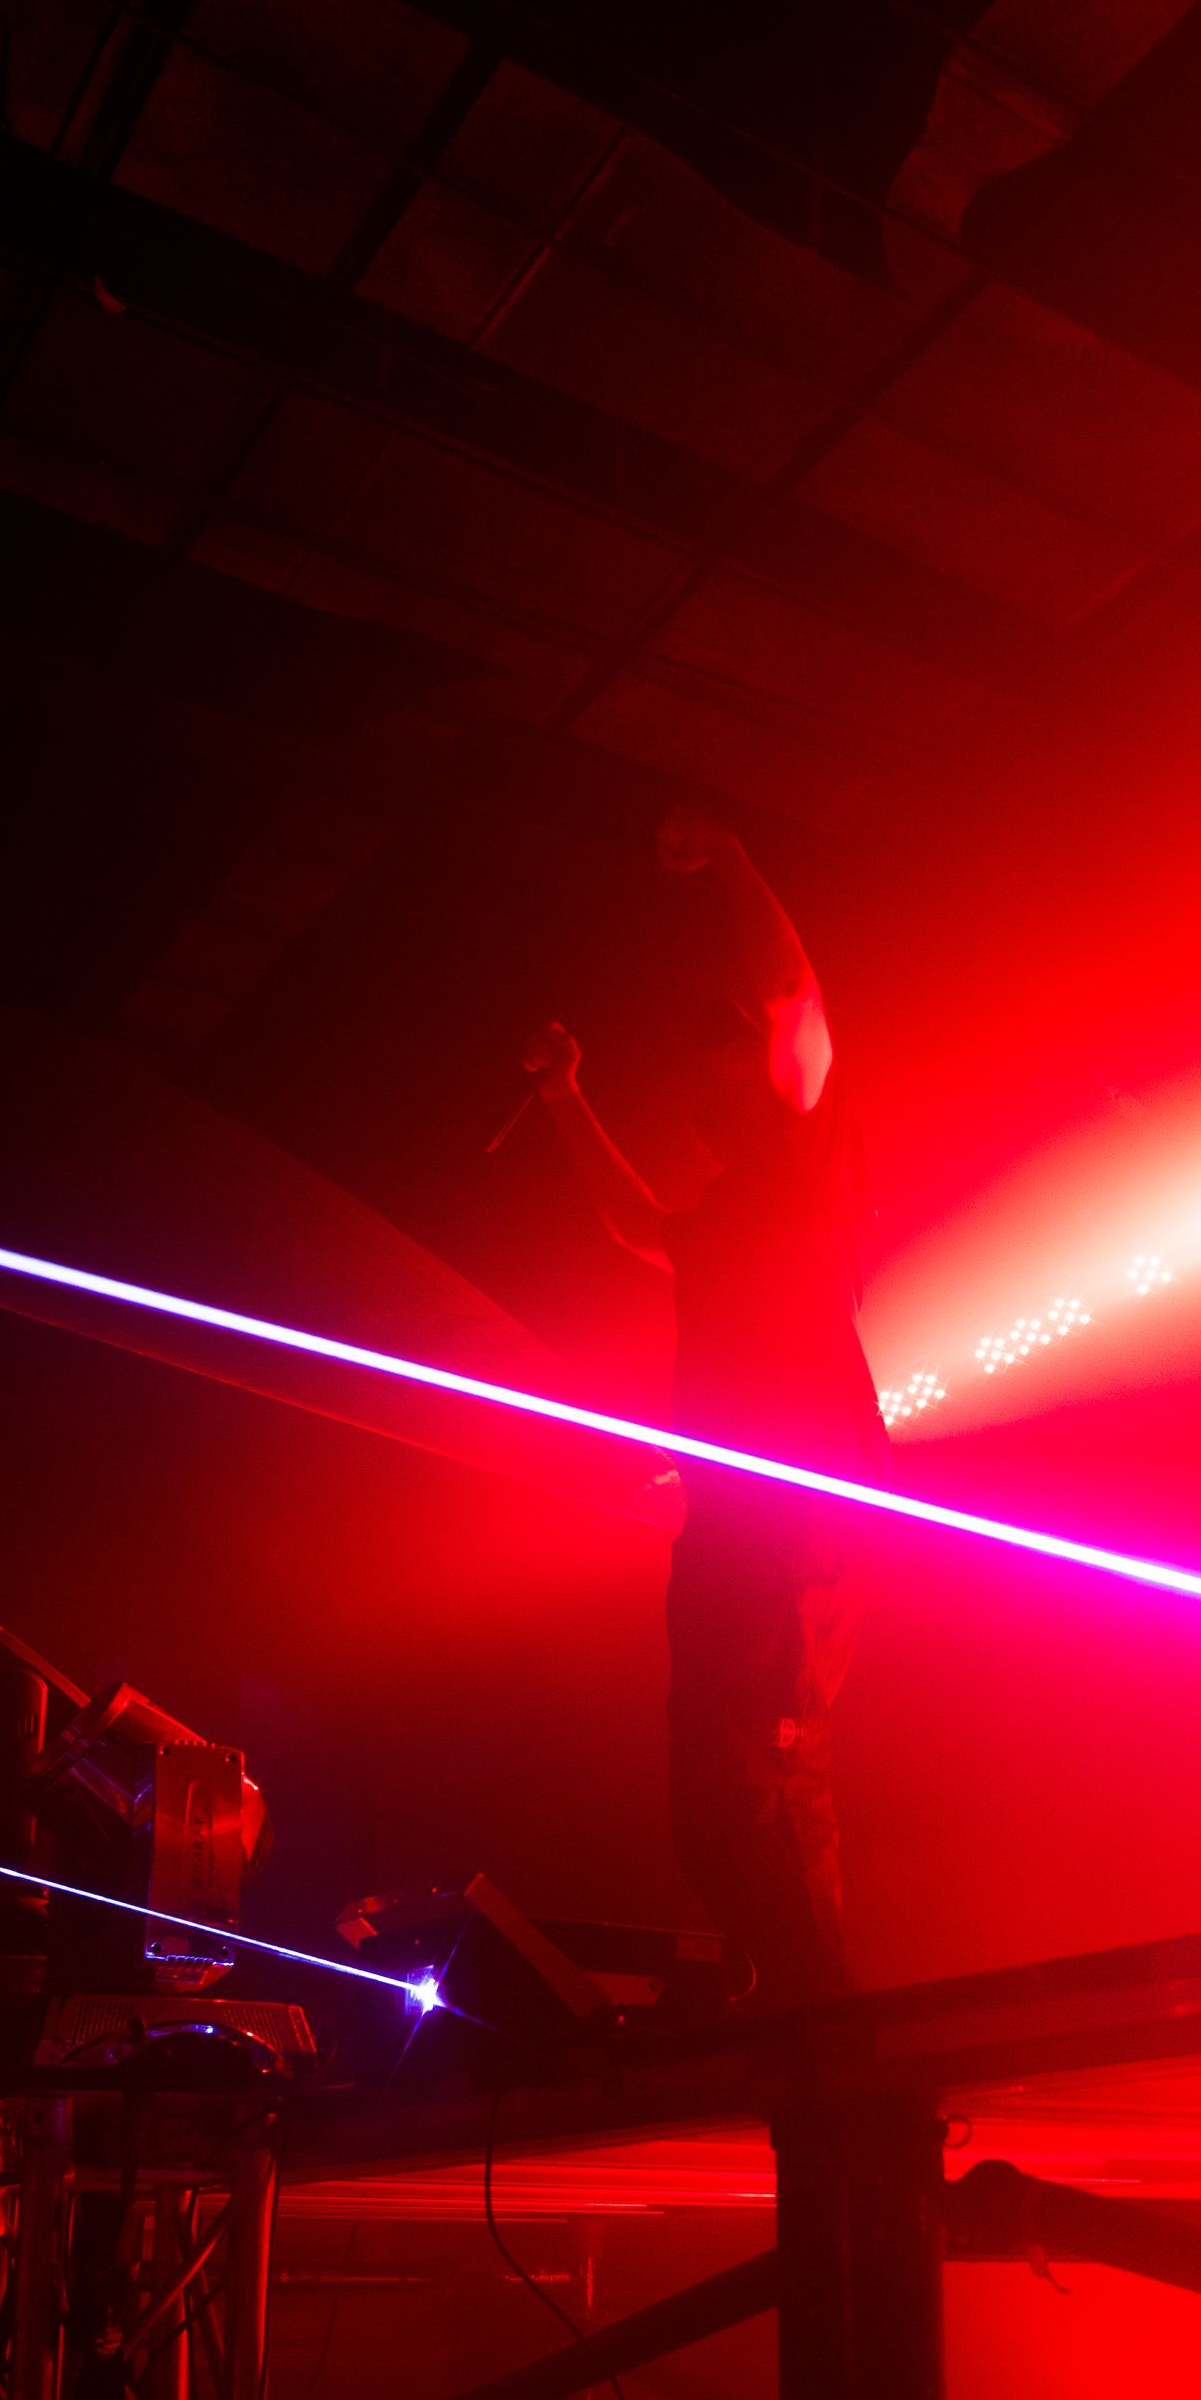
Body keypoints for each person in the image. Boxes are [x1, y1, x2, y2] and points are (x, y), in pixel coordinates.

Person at [524, 811, 889, 2007]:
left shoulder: (800, 1152)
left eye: (723, 1050)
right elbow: (638, 1228)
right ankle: (782, 2010)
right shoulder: (726, 1211)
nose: (706, 1069)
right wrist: (567, 1096)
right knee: (710, 1799)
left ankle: (832, 2042)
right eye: (701, 1058)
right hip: (730, 1527)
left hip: (795, 1525)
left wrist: (732, 858)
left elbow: (791, 996)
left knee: (765, 1781)